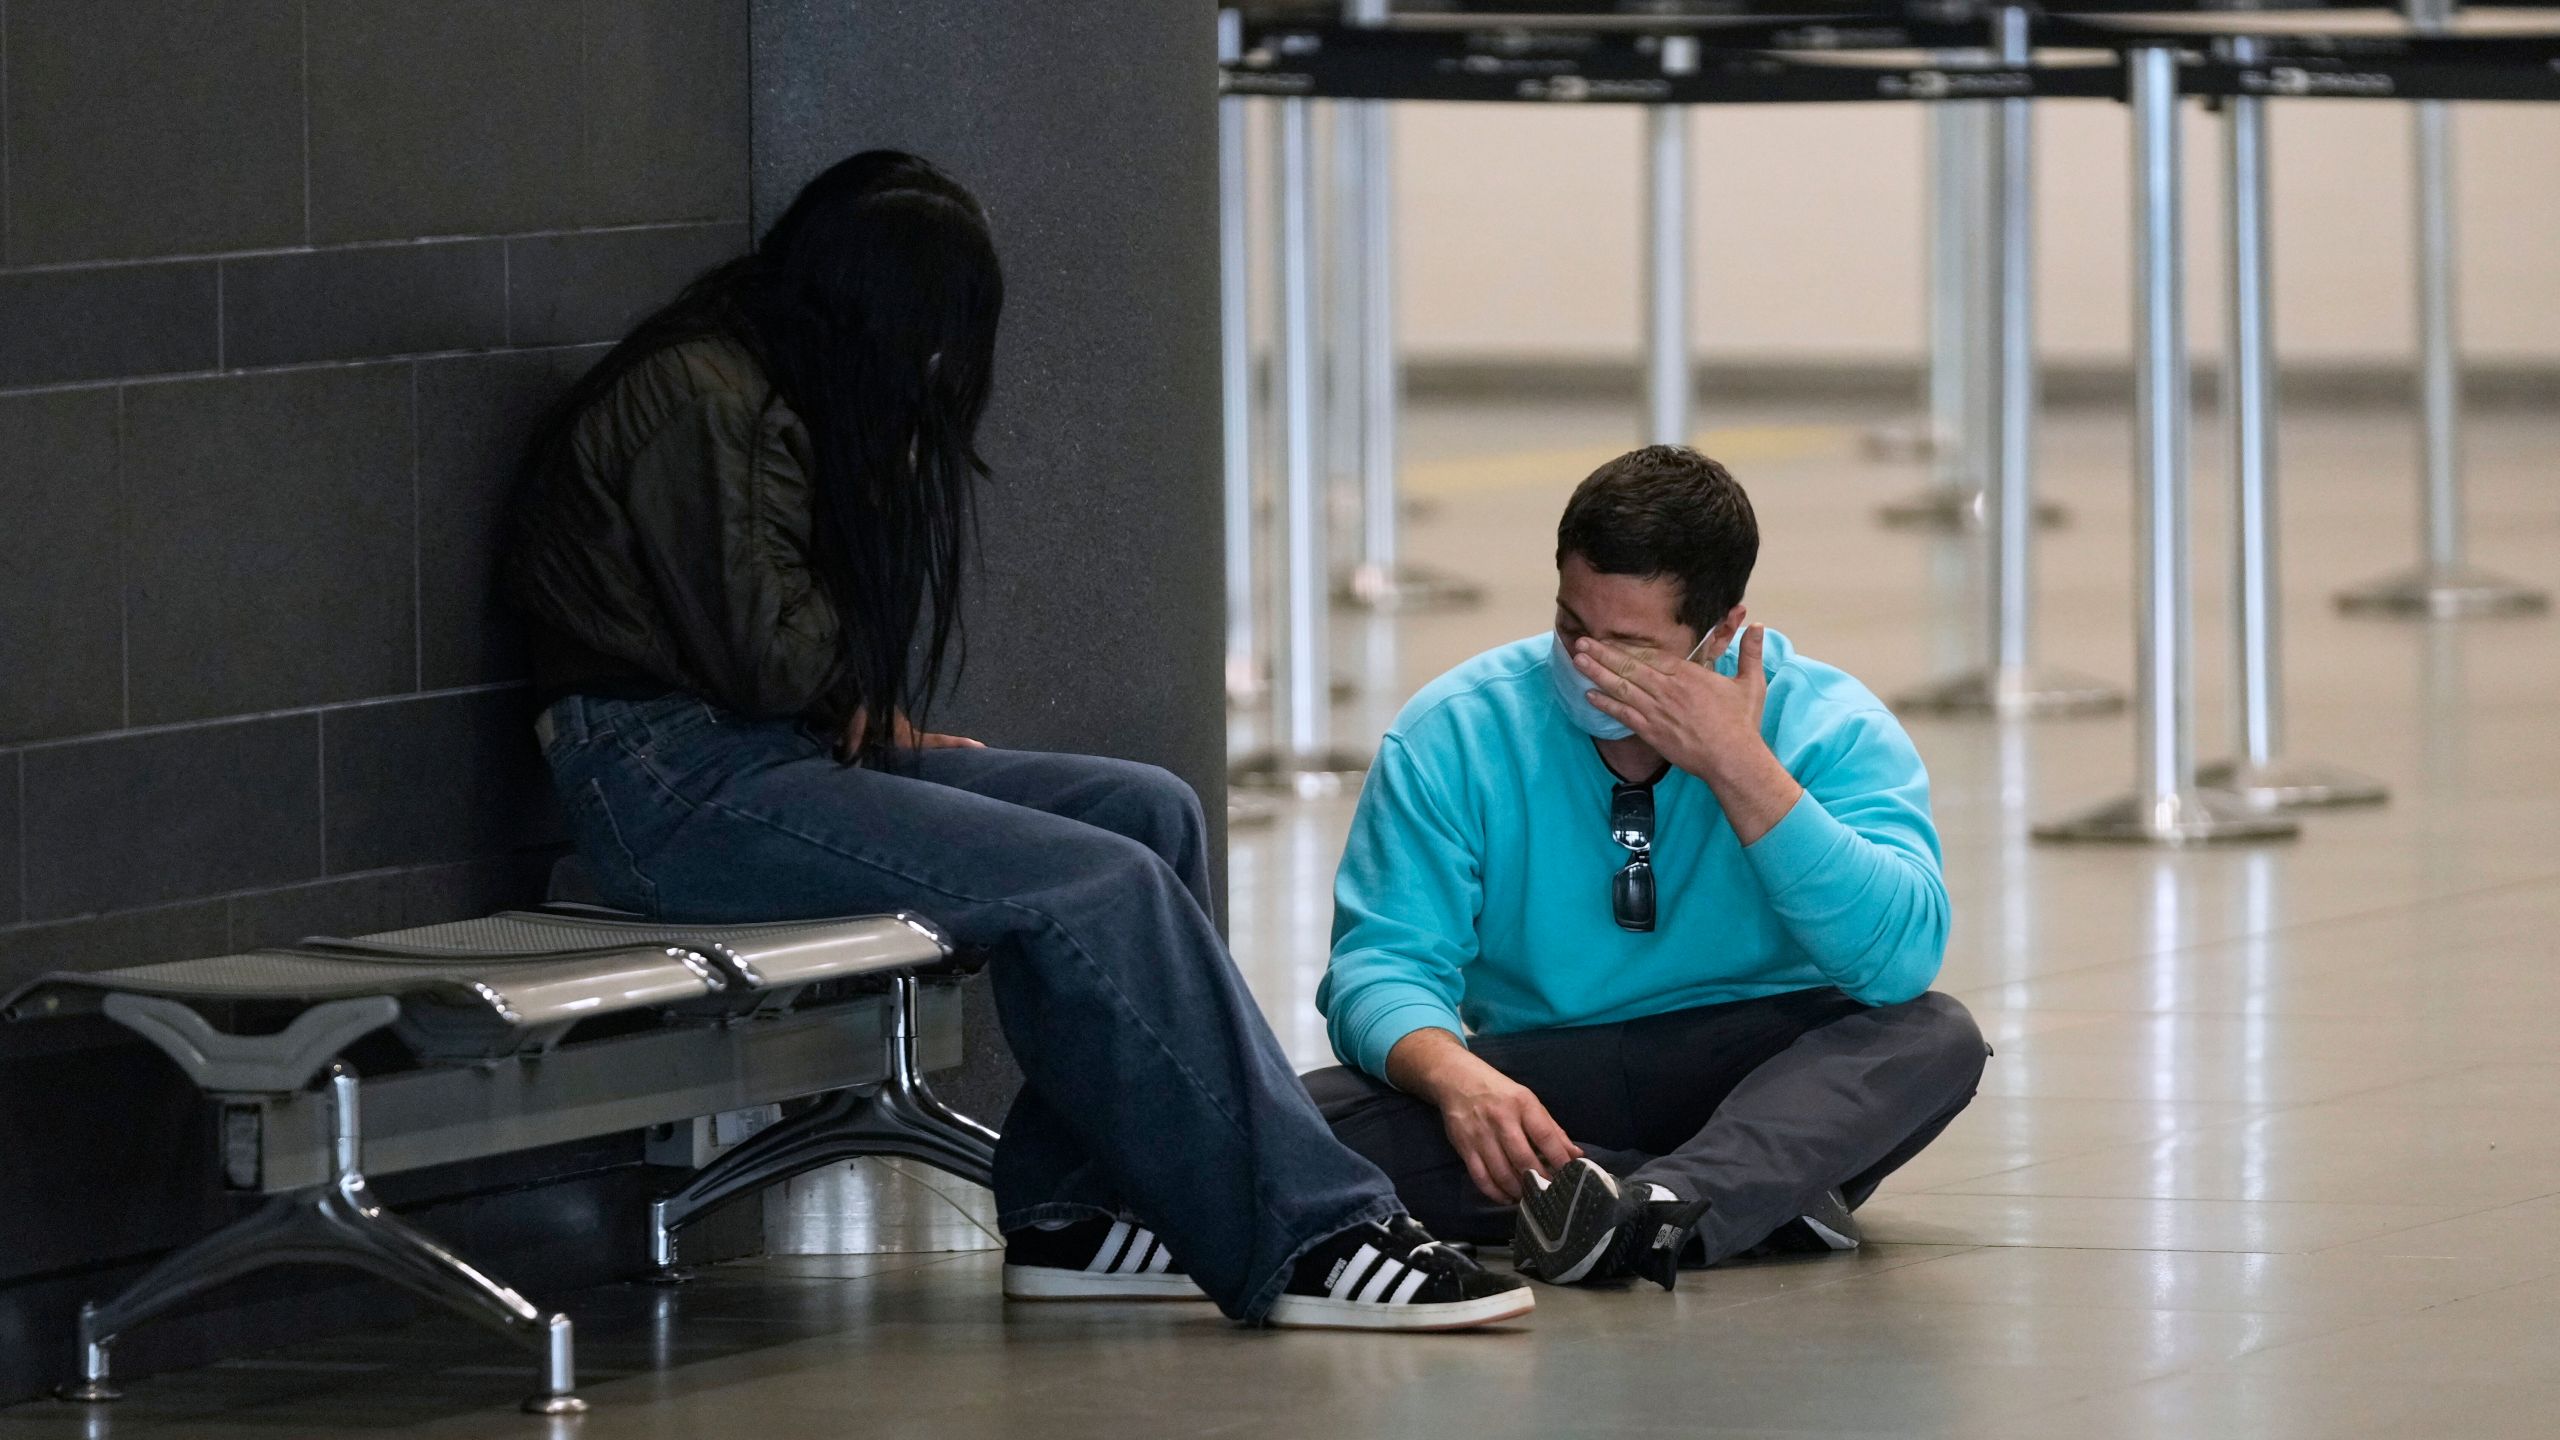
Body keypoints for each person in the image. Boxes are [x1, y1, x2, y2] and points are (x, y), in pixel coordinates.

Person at [504, 150, 1527, 1331]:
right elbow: (768, 656)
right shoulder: (701, 396)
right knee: (1095, 883)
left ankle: (1075, 1213)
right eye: (935, 336)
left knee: (1143, 810)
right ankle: (1316, 1230)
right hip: (667, 783)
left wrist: (857, 707)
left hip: (747, 751)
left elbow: (767, 649)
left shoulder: (765, 382)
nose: (940, 370)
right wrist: (858, 585)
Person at [1305, 445, 1988, 1290]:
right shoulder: (1455, 729)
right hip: (1549, 1072)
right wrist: (1459, 1081)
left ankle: (1651, 1205)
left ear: (1722, 634)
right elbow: (1378, 966)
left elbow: (1899, 957)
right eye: (1570, 628)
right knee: (1299, 1124)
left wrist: (1742, 767)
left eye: (1627, 646)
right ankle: (1726, 1200)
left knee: (1933, 1037)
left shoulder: (1830, 725)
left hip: (1769, 1062)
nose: (1587, 664)